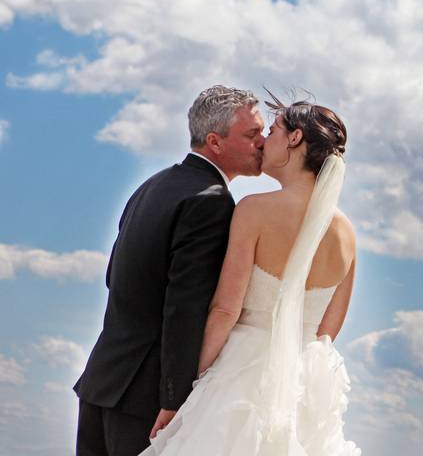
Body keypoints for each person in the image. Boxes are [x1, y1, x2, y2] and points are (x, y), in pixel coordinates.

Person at [139, 89, 360, 455]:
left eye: (272, 131)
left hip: (241, 377)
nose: (263, 142)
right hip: (304, 387)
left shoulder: (254, 210)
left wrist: (188, 392)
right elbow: (327, 330)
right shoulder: (347, 233)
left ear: (294, 138)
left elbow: (226, 309)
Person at [75, 85, 266, 455]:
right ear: (216, 141)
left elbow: (114, 276)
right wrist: (176, 398)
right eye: (251, 133)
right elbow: (185, 306)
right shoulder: (211, 202)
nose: (262, 141)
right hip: (145, 400)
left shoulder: (153, 185)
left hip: (102, 381)